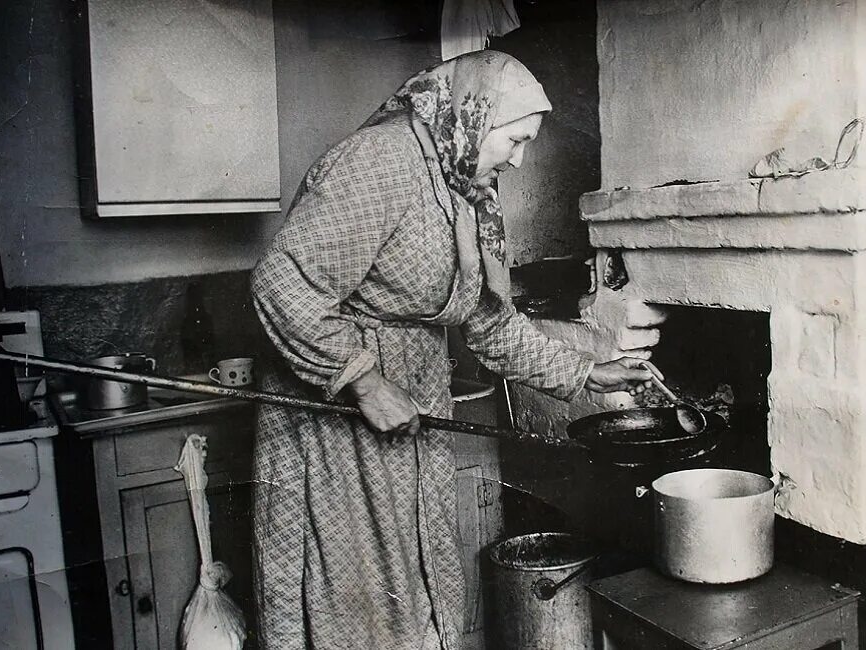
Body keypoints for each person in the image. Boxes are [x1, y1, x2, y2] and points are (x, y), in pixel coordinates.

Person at [250, 50, 652, 650]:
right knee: (353, 598)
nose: (518, 160)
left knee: (416, 587)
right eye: (513, 141)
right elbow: (281, 280)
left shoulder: (465, 189)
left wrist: (588, 373)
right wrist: (363, 380)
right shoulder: (381, 161)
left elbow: (489, 323)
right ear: (474, 115)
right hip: (336, 420)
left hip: (411, 404)